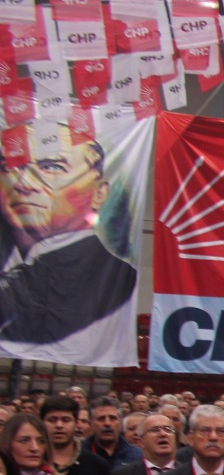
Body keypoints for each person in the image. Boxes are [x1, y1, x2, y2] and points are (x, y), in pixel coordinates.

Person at [0, 130, 137, 365]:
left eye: (52, 167)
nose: (24, 184)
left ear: (99, 194)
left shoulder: (118, 279)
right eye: (10, 168)